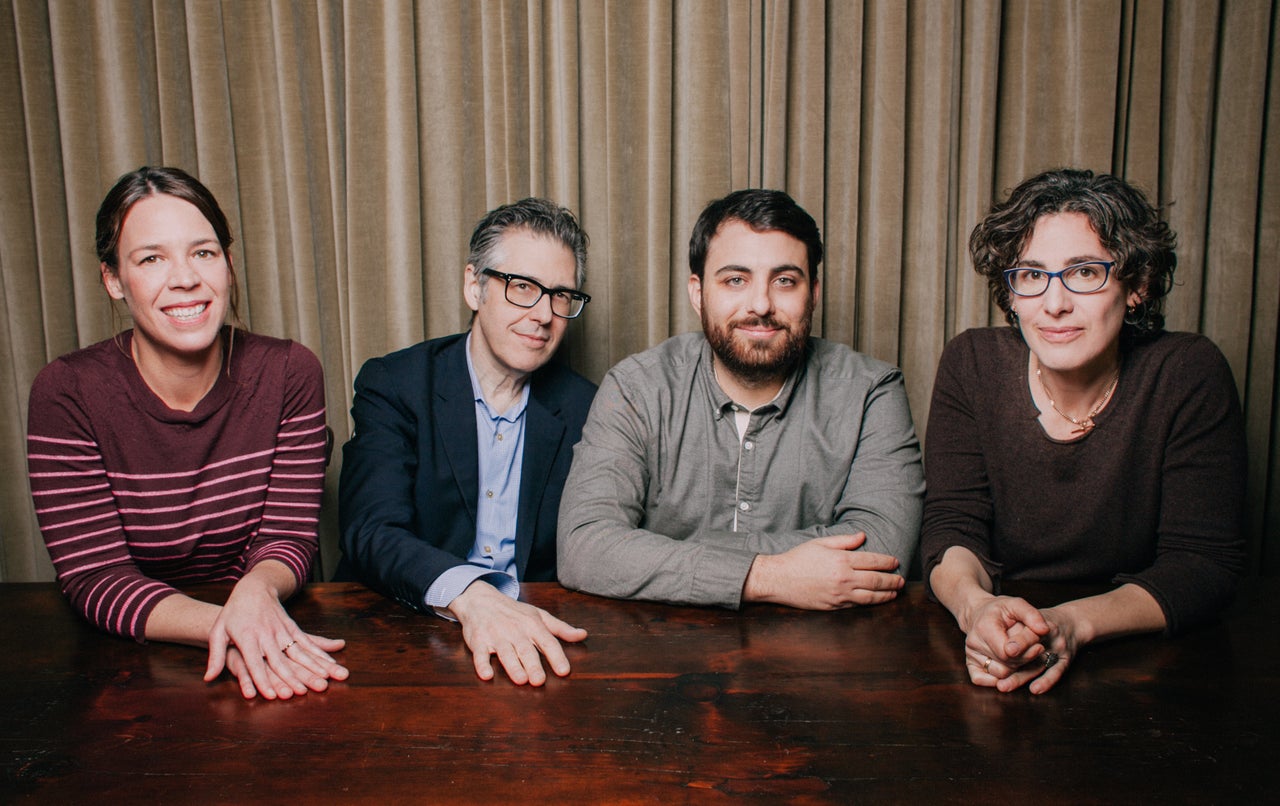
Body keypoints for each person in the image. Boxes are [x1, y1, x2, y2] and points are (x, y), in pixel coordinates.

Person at [26, 166, 348, 701]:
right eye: (151, 258)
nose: (185, 278)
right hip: (140, 655)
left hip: (272, 624)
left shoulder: (289, 371)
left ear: (226, 263)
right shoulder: (67, 391)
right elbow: (94, 575)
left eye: (203, 252)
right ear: (112, 279)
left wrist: (256, 594)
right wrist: (232, 625)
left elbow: (288, 538)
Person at [922, 168, 1247, 695]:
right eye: (1031, 275)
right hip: (992, 648)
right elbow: (951, 526)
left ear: (1137, 285)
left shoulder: (1188, 372)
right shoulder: (972, 361)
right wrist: (976, 607)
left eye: (1085, 272)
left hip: (1144, 668)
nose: (1054, 303)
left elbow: (1204, 566)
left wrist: (1070, 624)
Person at [557, 188, 924, 610]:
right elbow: (583, 546)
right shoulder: (636, 387)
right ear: (698, 293)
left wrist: (656, 553)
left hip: (820, 662)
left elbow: (883, 552)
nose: (761, 304)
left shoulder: (871, 393)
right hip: (664, 657)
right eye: (736, 280)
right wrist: (769, 577)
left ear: (814, 293)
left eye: (785, 281)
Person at [338, 198, 596, 686]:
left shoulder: (586, 407)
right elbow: (369, 530)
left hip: (538, 636)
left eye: (561, 295)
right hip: (405, 630)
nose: (543, 314)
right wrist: (473, 596)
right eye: (522, 287)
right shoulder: (395, 383)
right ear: (473, 287)